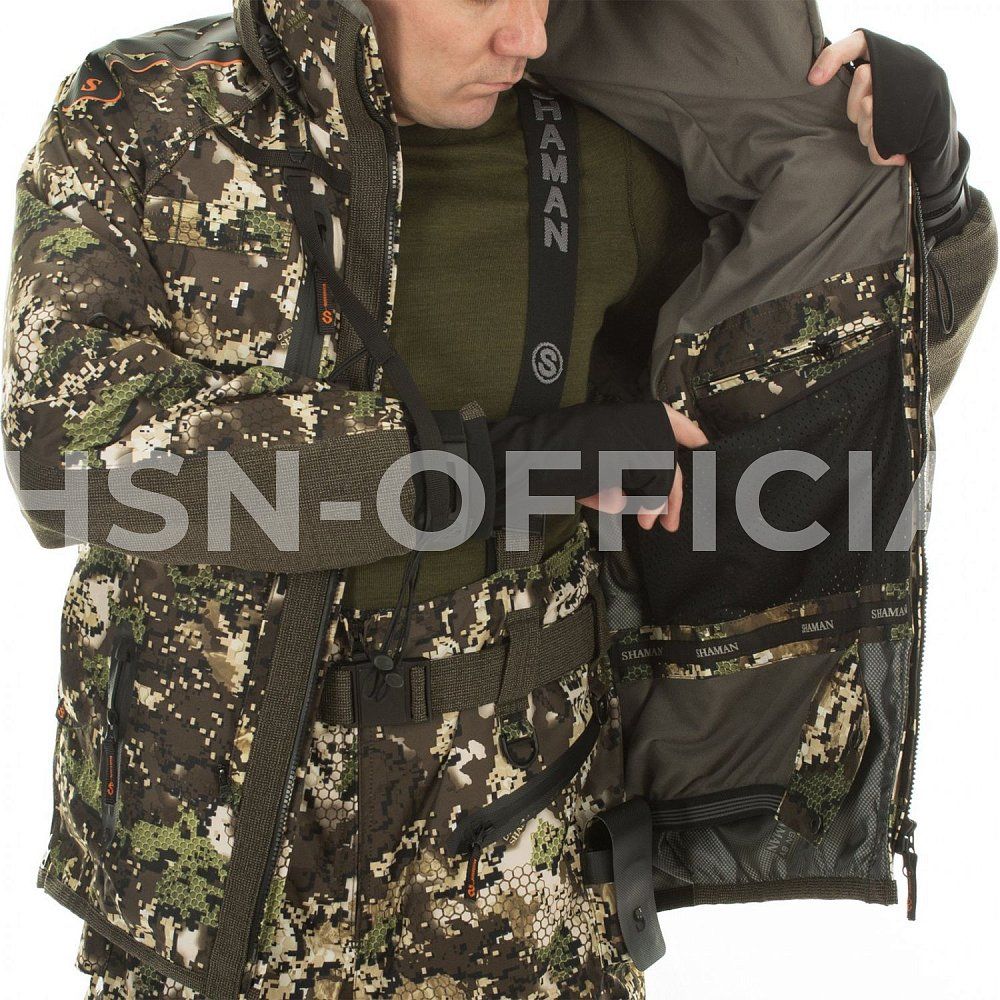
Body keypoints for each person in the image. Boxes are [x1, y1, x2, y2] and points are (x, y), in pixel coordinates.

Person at [1, 2, 994, 997]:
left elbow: (813, 406)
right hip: (208, 882)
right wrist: (492, 470)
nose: (527, 37)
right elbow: (65, 456)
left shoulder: (597, 157)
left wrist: (924, 197)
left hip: (522, 884)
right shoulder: (142, 113)